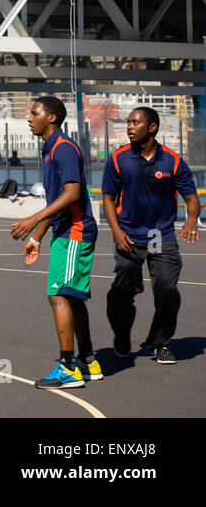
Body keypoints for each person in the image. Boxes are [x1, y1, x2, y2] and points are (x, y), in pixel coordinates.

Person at [10, 96, 100, 389]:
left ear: (51, 118)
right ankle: (88, 361)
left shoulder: (63, 149)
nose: (29, 117)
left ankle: (68, 366)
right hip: (65, 232)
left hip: (76, 232)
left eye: (34, 113)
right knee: (72, 296)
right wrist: (37, 237)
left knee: (58, 295)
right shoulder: (49, 150)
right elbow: (56, 202)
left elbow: (72, 194)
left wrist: (33, 219)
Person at [101, 106, 200, 364]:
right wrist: (116, 231)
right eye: (128, 122)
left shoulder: (173, 161)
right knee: (121, 294)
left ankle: (159, 342)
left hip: (160, 235)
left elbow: (191, 197)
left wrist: (191, 219)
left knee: (167, 288)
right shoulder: (118, 158)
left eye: (136, 122)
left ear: (152, 127)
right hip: (129, 235)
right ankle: (121, 333)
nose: (130, 128)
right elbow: (108, 199)